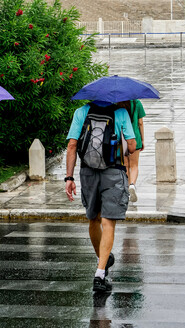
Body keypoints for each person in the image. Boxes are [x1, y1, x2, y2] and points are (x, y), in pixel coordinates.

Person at [65, 100, 136, 292]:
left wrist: (69, 177)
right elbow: (131, 146)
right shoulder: (121, 113)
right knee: (108, 222)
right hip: (114, 172)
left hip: (88, 172)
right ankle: (100, 272)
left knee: (93, 219)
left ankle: (101, 260)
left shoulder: (82, 111)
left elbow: (72, 145)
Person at [122, 99, 145, 202]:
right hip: (135, 138)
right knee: (134, 165)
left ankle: (126, 189)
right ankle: (132, 185)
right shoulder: (137, 103)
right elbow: (140, 123)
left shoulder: (118, 103)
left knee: (125, 165)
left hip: (122, 138)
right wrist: (143, 139)